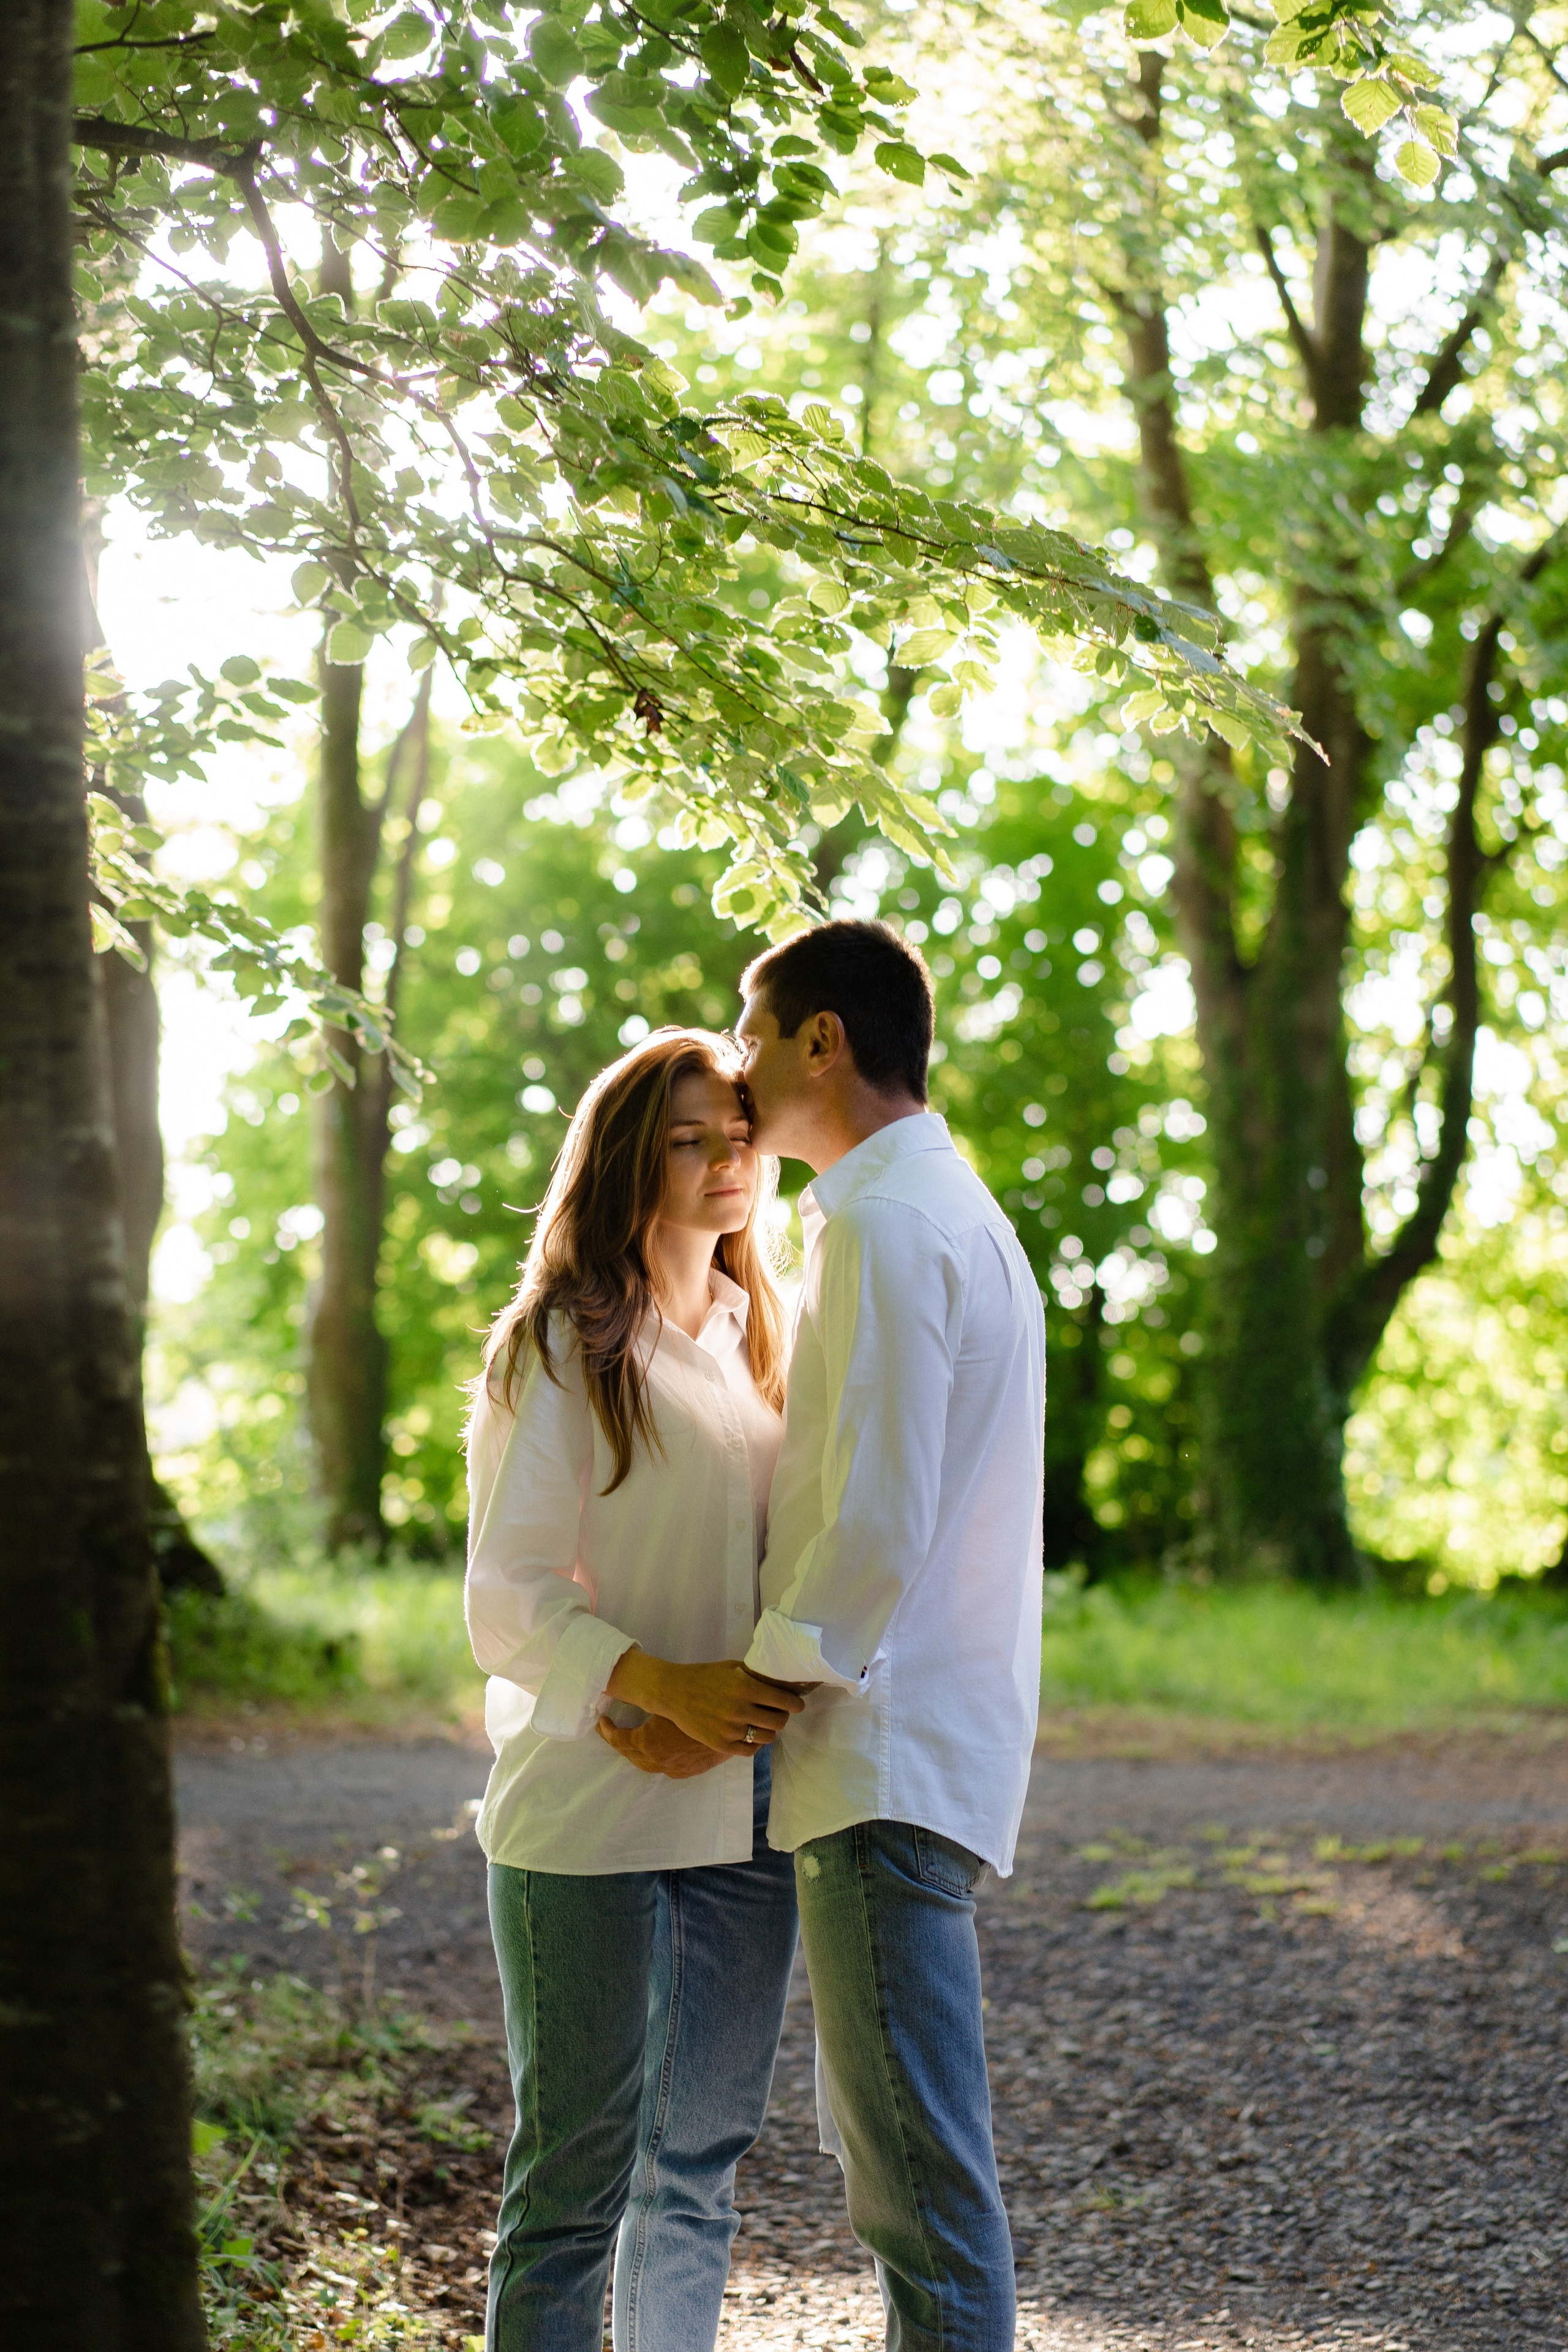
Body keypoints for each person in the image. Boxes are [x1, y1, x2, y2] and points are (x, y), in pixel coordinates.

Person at [464, 1028, 808, 2352]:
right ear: (628, 1159)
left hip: (745, 1813)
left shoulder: (758, 1339)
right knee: (572, 2179)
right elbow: (508, 1599)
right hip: (587, 1816)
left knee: (698, 2169)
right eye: (688, 1138)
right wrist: (647, 1692)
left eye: (737, 1134)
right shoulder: (559, 1341)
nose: (727, 1158)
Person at [733, 917, 1046, 2352]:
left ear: (820, 1039)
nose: (738, 1075)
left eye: (751, 1037)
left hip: (877, 1749)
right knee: (915, 2179)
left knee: (917, 2195)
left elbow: (873, 1514)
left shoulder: (879, 1219)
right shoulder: (943, 1206)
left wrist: (746, 1685)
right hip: (922, 1737)